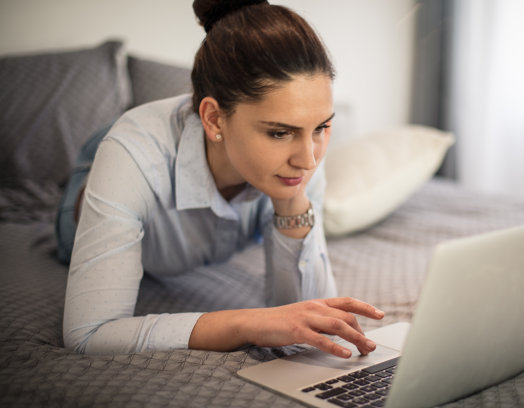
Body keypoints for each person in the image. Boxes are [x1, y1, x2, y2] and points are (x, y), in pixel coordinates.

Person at [58, 0, 384, 358]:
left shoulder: (303, 156)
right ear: (213, 119)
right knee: (112, 162)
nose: (308, 159)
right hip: (106, 168)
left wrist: (292, 202)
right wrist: (246, 323)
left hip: (191, 133)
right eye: (279, 133)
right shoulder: (132, 155)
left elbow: (309, 317)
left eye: (322, 127)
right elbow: (89, 334)